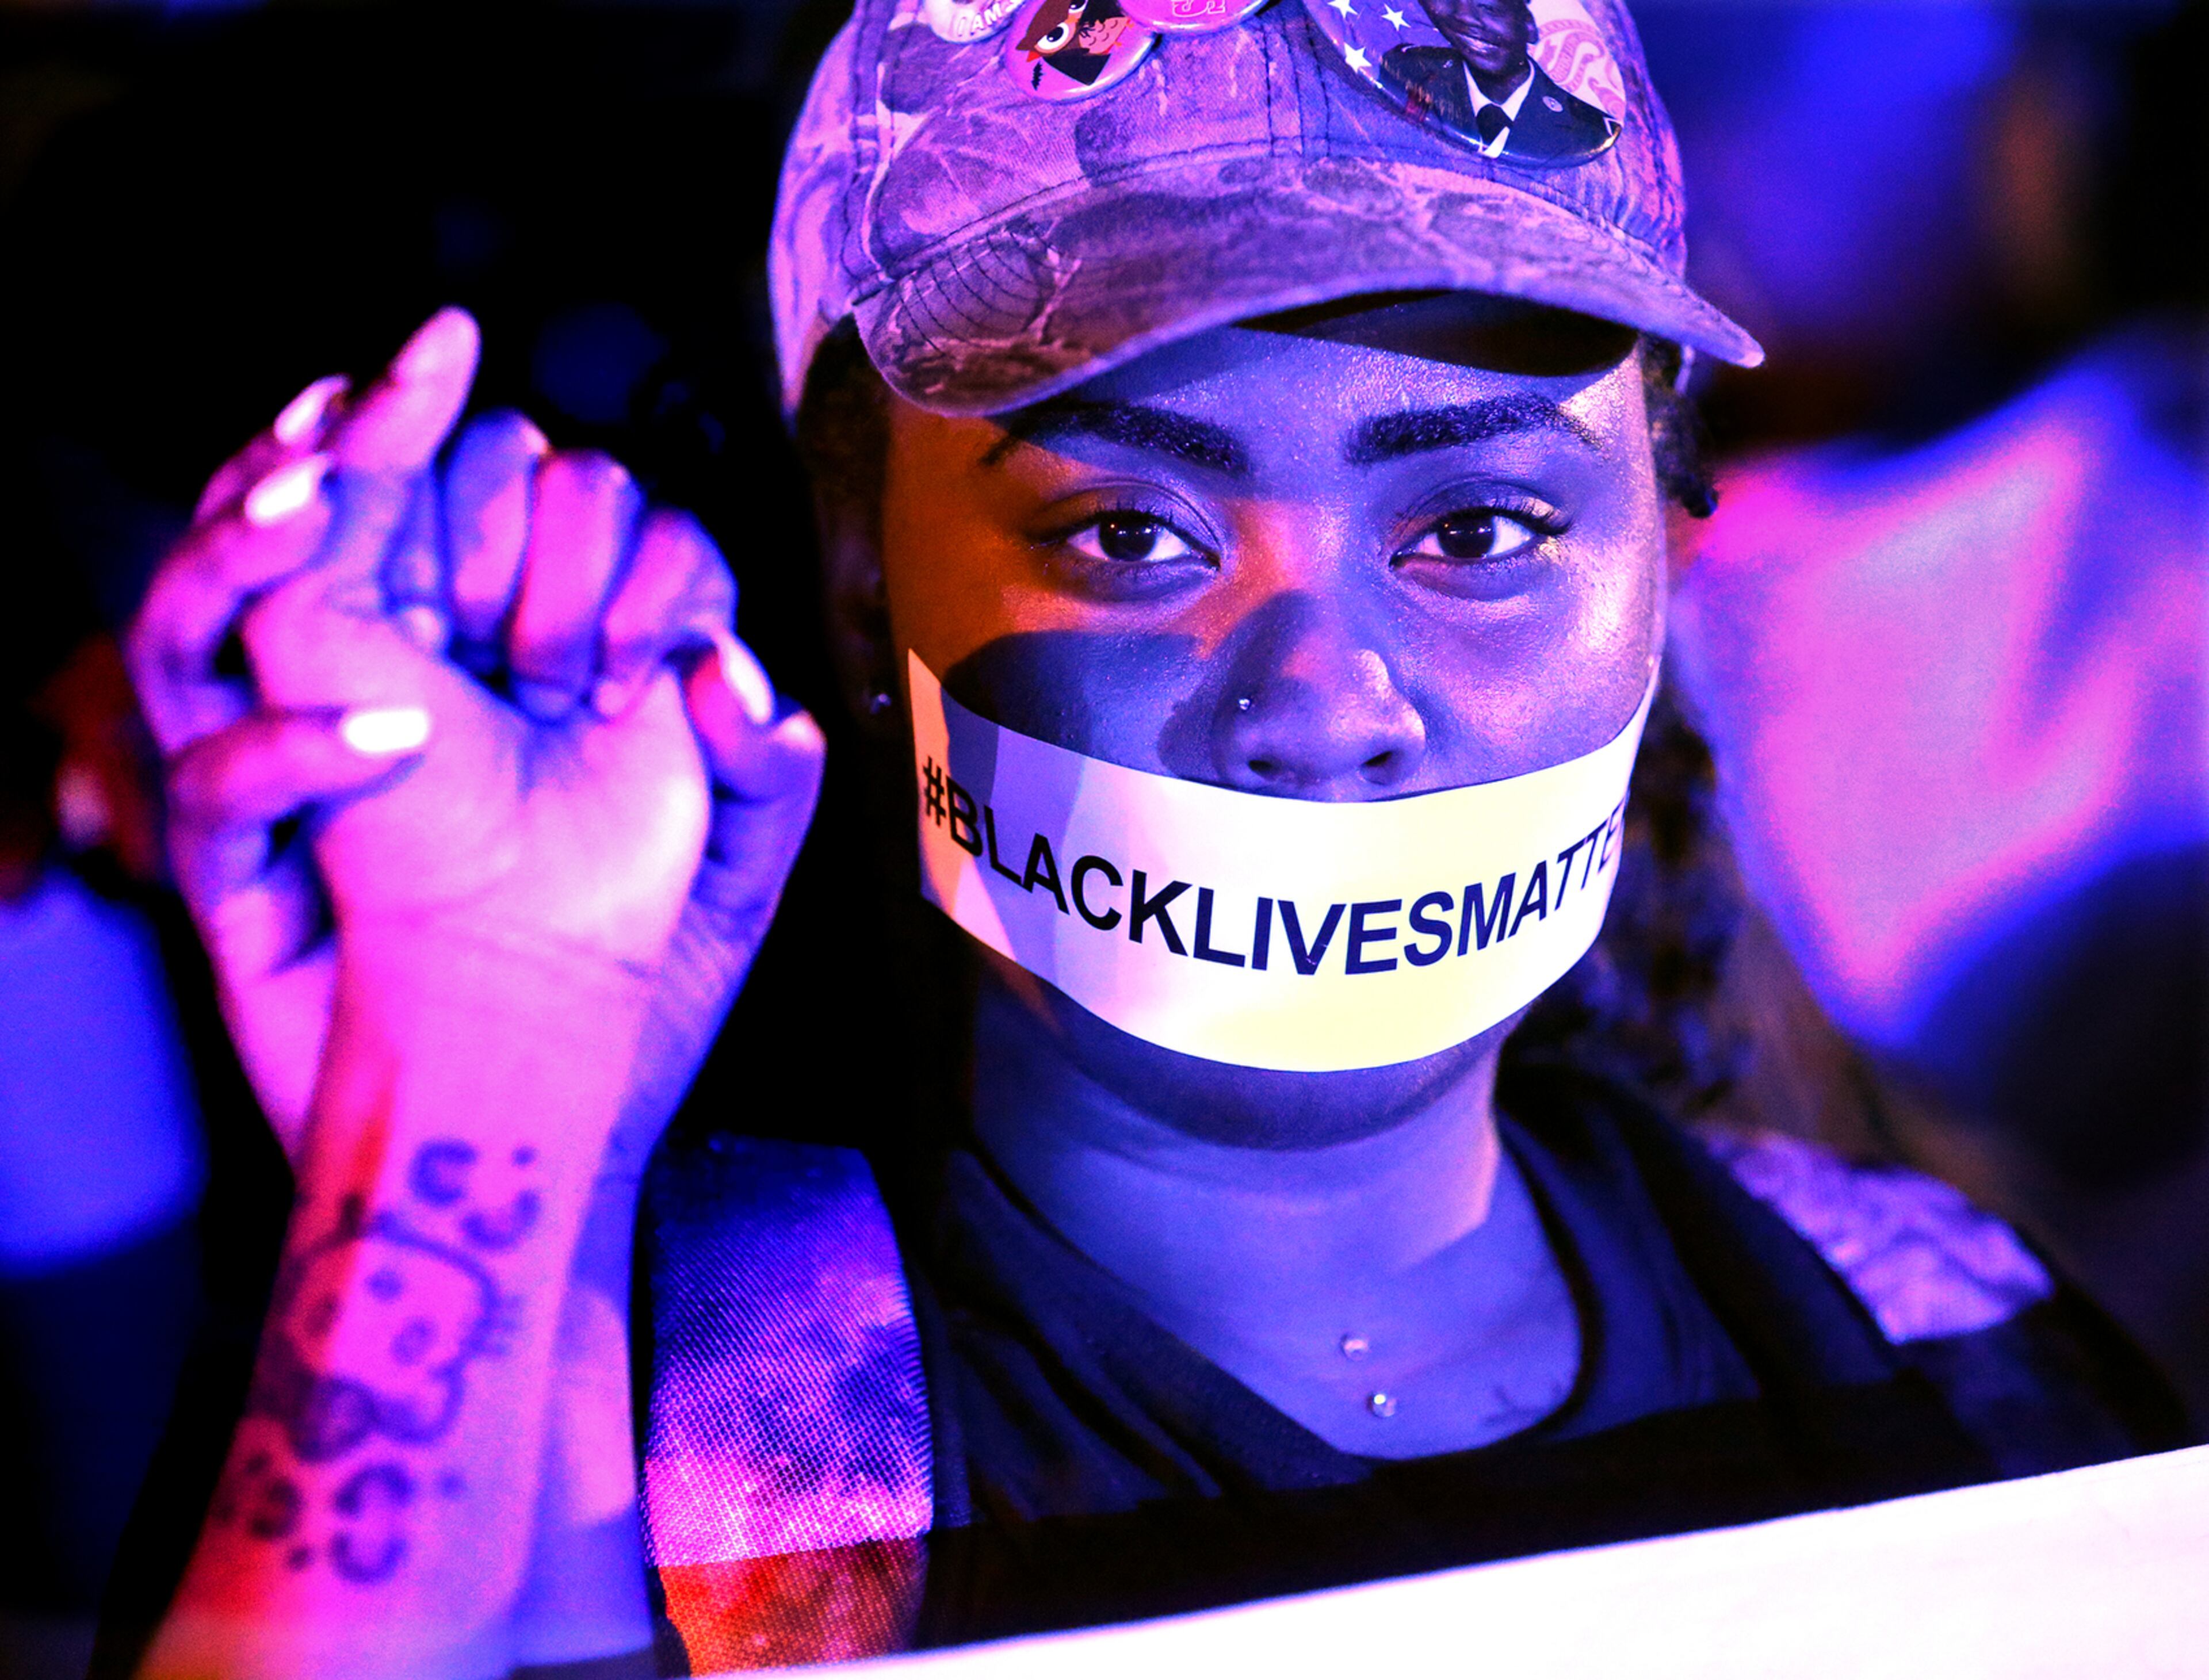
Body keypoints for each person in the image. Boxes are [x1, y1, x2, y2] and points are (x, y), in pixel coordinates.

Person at [112, 1, 2187, 1676]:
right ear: (859, 564)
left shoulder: (1946, 1345)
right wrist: (486, 1049)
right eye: (1129, 532)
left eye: (1478, 526)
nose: (1325, 699)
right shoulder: (627, 1433)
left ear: (1662, 542)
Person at [1384, 0, 1620, 165]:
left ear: (1530, 27)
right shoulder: (1407, 67)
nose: (1464, 18)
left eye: (1490, 8)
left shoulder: (1587, 130)